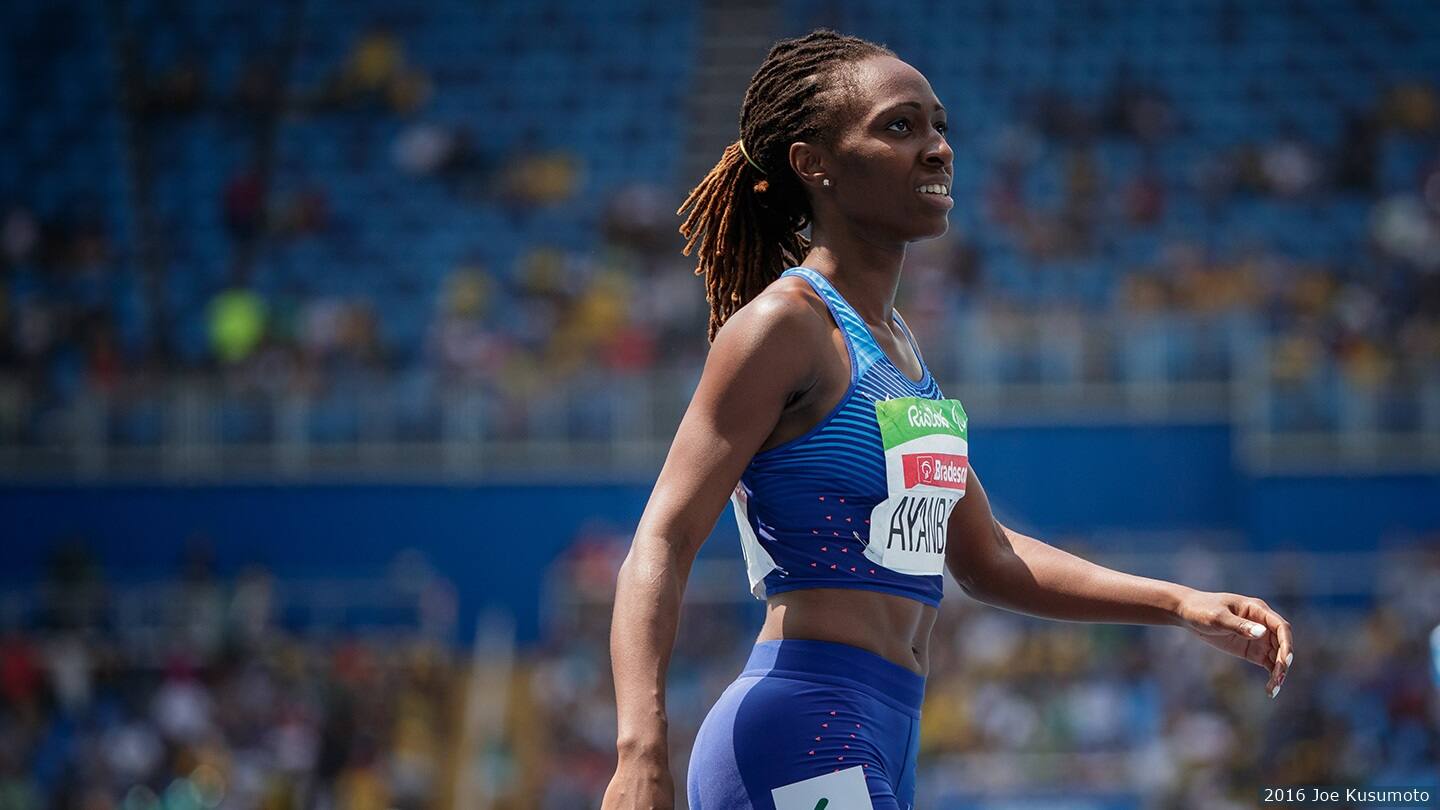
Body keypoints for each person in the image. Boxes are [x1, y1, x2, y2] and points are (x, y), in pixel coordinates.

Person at [603, 30, 1294, 810]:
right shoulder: (783, 328)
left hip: (889, 726)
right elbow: (661, 537)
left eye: (938, 126)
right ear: (813, 163)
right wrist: (640, 750)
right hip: (803, 723)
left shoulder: (899, 351)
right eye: (900, 126)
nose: (936, 148)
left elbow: (987, 556)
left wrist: (1179, 604)